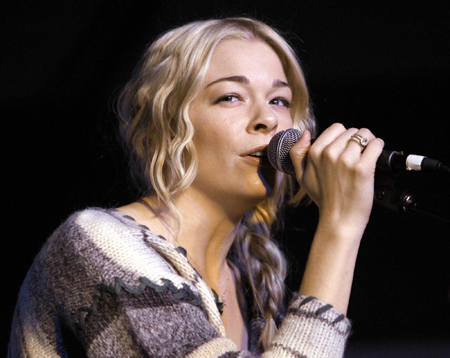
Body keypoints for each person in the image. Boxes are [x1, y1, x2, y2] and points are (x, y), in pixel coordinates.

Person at [8, 17, 384, 357]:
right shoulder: (98, 244)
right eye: (230, 97)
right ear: (167, 125)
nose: (268, 118)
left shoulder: (251, 280)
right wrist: (340, 227)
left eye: (280, 100)